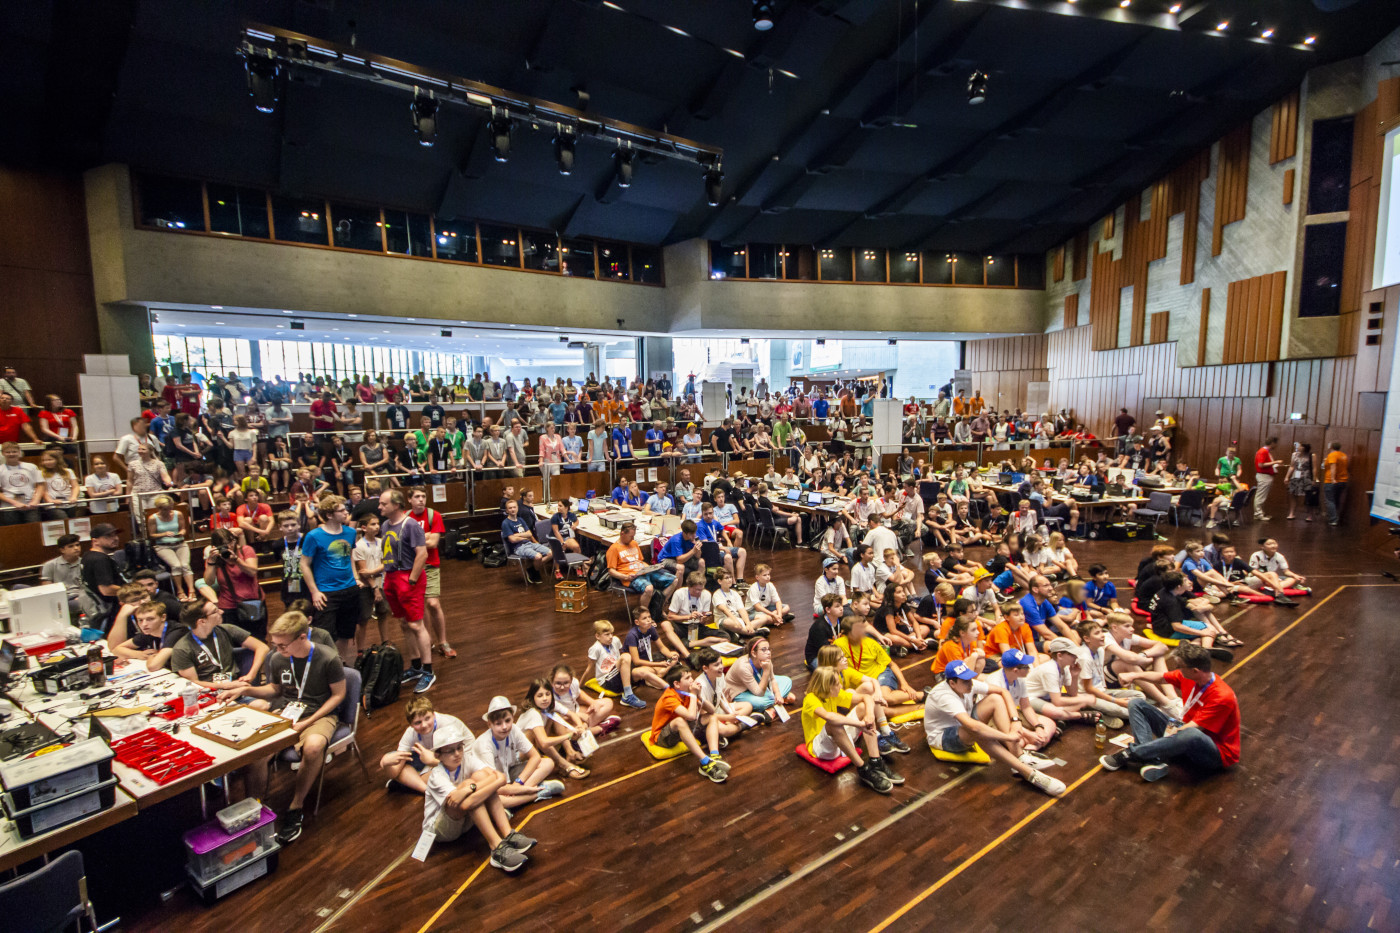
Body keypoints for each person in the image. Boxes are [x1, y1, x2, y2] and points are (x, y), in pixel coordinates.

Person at [221, 611, 347, 844]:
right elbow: (275, 690)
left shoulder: (328, 658)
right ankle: (254, 806)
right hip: (287, 712)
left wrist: (308, 721)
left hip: (319, 714)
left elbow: (338, 695)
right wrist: (246, 690)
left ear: (302, 638)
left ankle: (295, 807)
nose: (277, 649)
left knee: (313, 746)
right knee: (256, 750)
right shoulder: (278, 658)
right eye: (275, 644)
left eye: (282, 645)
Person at [1099, 643, 1240, 782]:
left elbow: (1196, 728)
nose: (1177, 668)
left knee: (1191, 734)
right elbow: (1161, 677)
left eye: (1180, 666)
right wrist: (1134, 675)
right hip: (1185, 734)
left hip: (1214, 754)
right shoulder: (1190, 676)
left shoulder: (1222, 697)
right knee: (1136, 703)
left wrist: (1168, 738)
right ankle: (1151, 761)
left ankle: (1131, 753)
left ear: (1195, 671)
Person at [924, 660, 1065, 797]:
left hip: (963, 724)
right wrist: (1008, 736)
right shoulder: (945, 696)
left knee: (995, 699)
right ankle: (1028, 773)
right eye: (965, 681)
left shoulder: (967, 684)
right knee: (976, 730)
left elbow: (1002, 692)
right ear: (952, 683)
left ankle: (1019, 755)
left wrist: (1015, 721)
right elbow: (973, 726)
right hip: (944, 737)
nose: (970, 683)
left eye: (970, 679)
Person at [421, 723, 534, 872]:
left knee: (479, 778)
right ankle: (496, 847)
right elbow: (464, 805)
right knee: (473, 786)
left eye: (459, 747)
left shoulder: (466, 759)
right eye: (450, 751)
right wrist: (481, 785)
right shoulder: (437, 776)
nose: (457, 754)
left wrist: (472, 788)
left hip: (465, 818)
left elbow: (500, 777)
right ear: (438, 755)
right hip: (442, 829)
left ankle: (508, 834)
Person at [801, 666, 898, 793]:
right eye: (837, 684)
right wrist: (859, 724)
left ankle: (876, 761)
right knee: (833, 723)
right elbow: (829, 717)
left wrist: (869, 715)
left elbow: (866, 697)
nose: (840, 686)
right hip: (820, 748)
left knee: (863, 707)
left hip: (838, 738)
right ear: (826, 686)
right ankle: (863, 769)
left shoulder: (832, 694)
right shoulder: (810, 699)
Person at [379, 489, 436, 693]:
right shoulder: (385, 525)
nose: (379, 507)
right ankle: (415, 665)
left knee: (416, 624)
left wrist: (411, 579)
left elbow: (422, 554)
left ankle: (428, 670)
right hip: (392, 576)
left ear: (396, 505)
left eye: (383, 504)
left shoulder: (410, 525)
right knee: (404, 623)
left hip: (407, 577)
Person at [300, 494, 363, 666]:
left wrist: (356, 577)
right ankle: (325, 666)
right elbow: (304, 564)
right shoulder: (314, 536)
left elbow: (350, 556)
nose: (346, 512)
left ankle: (339, 664)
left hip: (349, 589)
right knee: (324, 633)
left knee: (346, 633)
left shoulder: (350, 532)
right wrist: (314, 591)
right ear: (329, 515)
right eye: (341, 510)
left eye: (345, 509)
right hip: (327, 592)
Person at [473, 696, 563, 808]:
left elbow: (535, 756)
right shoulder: (484, 745)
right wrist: (514, 788)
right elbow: (493, 784)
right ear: (489, 724)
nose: (504, 727)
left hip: (509, 774)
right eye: (498, 723)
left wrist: (518, 783)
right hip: (492, 783)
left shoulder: (514, 729)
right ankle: (536, 793)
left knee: (547, 763)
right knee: (496, 800)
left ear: (512, 718)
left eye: (508, 721)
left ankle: (518, 796)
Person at [649, 663, 731, 783]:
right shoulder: (669, 698)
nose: (692, 680)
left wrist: (699, 696)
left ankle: (714, 755)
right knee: (679, 721)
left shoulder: (686, 693)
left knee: (711, 717)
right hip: (662, 737)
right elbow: (691, 716)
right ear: (677, 684)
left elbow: (711, 710)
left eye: (691, 676)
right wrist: (693, 694)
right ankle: (705, 762)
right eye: (687, 678)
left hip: (681, 730)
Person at [170, 598, 268, 690]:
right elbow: (193, 683)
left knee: (261, 702)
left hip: (237, 688)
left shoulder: (227, 629)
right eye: (215, 611)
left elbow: (262, 647)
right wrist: (224, 686)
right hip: (209, 693)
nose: (221, 612)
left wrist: (251, 675)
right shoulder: (182, 649)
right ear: (202, 621)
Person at [380, 696, 466, 794]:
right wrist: (385, 764)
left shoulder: (447, 725)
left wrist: (432, 761)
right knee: (393, 757)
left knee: (421, 778)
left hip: (461, 761)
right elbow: (394, 773)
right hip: (439, 759)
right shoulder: (410, 733)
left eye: (427, 718)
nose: (424, 725)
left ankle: (408, 784)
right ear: (411, 725)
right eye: (418, 722)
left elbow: (457, 760)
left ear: (434, 715)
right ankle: (427, 791)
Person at [606, 522, 674, 613]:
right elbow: (611, 571)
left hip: (643, 571)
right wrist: (625, 577)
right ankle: (643, 614)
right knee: (649, 588)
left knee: (674, 580)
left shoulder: (634, 543)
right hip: (630, 577)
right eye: (631, 536)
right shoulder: (614, 549)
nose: (633, 539)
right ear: (622, 533)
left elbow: (641, 561)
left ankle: (658, 607)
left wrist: (652, 568)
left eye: (633, 536)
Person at [617, 611, 672, 709]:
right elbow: (636, 661)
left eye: (649, 617)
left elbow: (662, 647)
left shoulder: (651, 629)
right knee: (644, 672)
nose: (648, 620)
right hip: (634, 669)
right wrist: (659, 664)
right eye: (644, 618)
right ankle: (668, 687)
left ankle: (654, 678)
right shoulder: (632, 635)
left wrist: (671, 656)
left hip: (647, 663)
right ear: (637, 622)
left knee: (675, 655)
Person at [147, 495, 195, 600]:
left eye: (170, 508)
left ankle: (192, 591)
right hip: (163, 546)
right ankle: (180, 591)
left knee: (185, 565)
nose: (168, 511)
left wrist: (181, 533)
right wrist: (164, 534)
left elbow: (183, 529)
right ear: (159, 508)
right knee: (176, 565)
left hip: (180, 543)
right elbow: (152, 535)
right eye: (165, 509)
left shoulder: (178, 514)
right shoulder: (153, 518)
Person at [80, 523, 126, 631]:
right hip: (108, 611)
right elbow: (106, 590)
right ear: (95, 541)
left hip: (97, 608)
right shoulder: (100, 560)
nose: (115, 538)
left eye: (115, 535)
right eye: (108, 536)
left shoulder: (87, 555)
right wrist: (133, 591)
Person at [1285, 442, 1318, 522]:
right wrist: (1287, 477)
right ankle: (1291, 513)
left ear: (1303, 448)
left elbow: (1314, 468)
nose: (1297, 447)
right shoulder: (1294, 455)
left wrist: (1314, 479)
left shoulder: (1311, 455)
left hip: (1307, 477)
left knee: (1309, 496)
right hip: (1296, 476)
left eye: (1299, 446)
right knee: (1293, 494)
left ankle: (1309, 514)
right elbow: (1292, 466)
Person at [1253, 437, 1281, 520]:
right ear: (1272, 443)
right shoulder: (1263, 451)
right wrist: (1276, 462)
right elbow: (1261, 465)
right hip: (1264, 476)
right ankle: (1258, 514)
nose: (1276, 445)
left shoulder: (1266, 451)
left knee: (1262, 496)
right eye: (1276, 443)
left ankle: (1260, 513)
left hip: (1266, 476)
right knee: (1260, 496)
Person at [1322, 441, 1348, 526]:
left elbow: (1333, 467)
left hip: (1331, 481)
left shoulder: (1332, 455)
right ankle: (1336, 516)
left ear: (1331, 447)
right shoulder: (1344, 455)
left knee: (1329, 500)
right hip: (1343, 481)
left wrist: (1333, 479)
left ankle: (1333, 519)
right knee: (1336, 499)